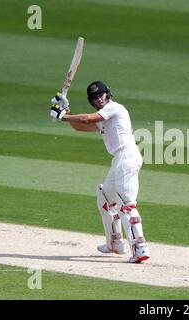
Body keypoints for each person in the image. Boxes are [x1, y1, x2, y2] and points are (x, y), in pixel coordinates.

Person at [50, 81, 150, 263]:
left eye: (101, 95)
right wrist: (67, 110)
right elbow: (80, 126)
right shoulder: (104, 118)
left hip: (127, 157)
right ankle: (115, 243)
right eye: (94, 97)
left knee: (126, 204)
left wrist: (62, 116)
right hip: (119, 161)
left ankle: (140, 248)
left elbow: (87, 119)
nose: (99, 99)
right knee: (105, 198)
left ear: (108, 94)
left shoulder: (115, 109)